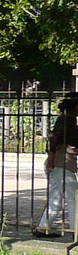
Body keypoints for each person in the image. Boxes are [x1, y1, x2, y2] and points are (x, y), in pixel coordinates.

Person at [35, 93, 78, 238]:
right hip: (62, 162)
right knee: (73, 198)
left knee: (56, 197)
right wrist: (52, 159)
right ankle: (75, 231)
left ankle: (43, 227)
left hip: (60, 162)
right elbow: (55, 140)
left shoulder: (67, 119)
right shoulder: (67, 120)